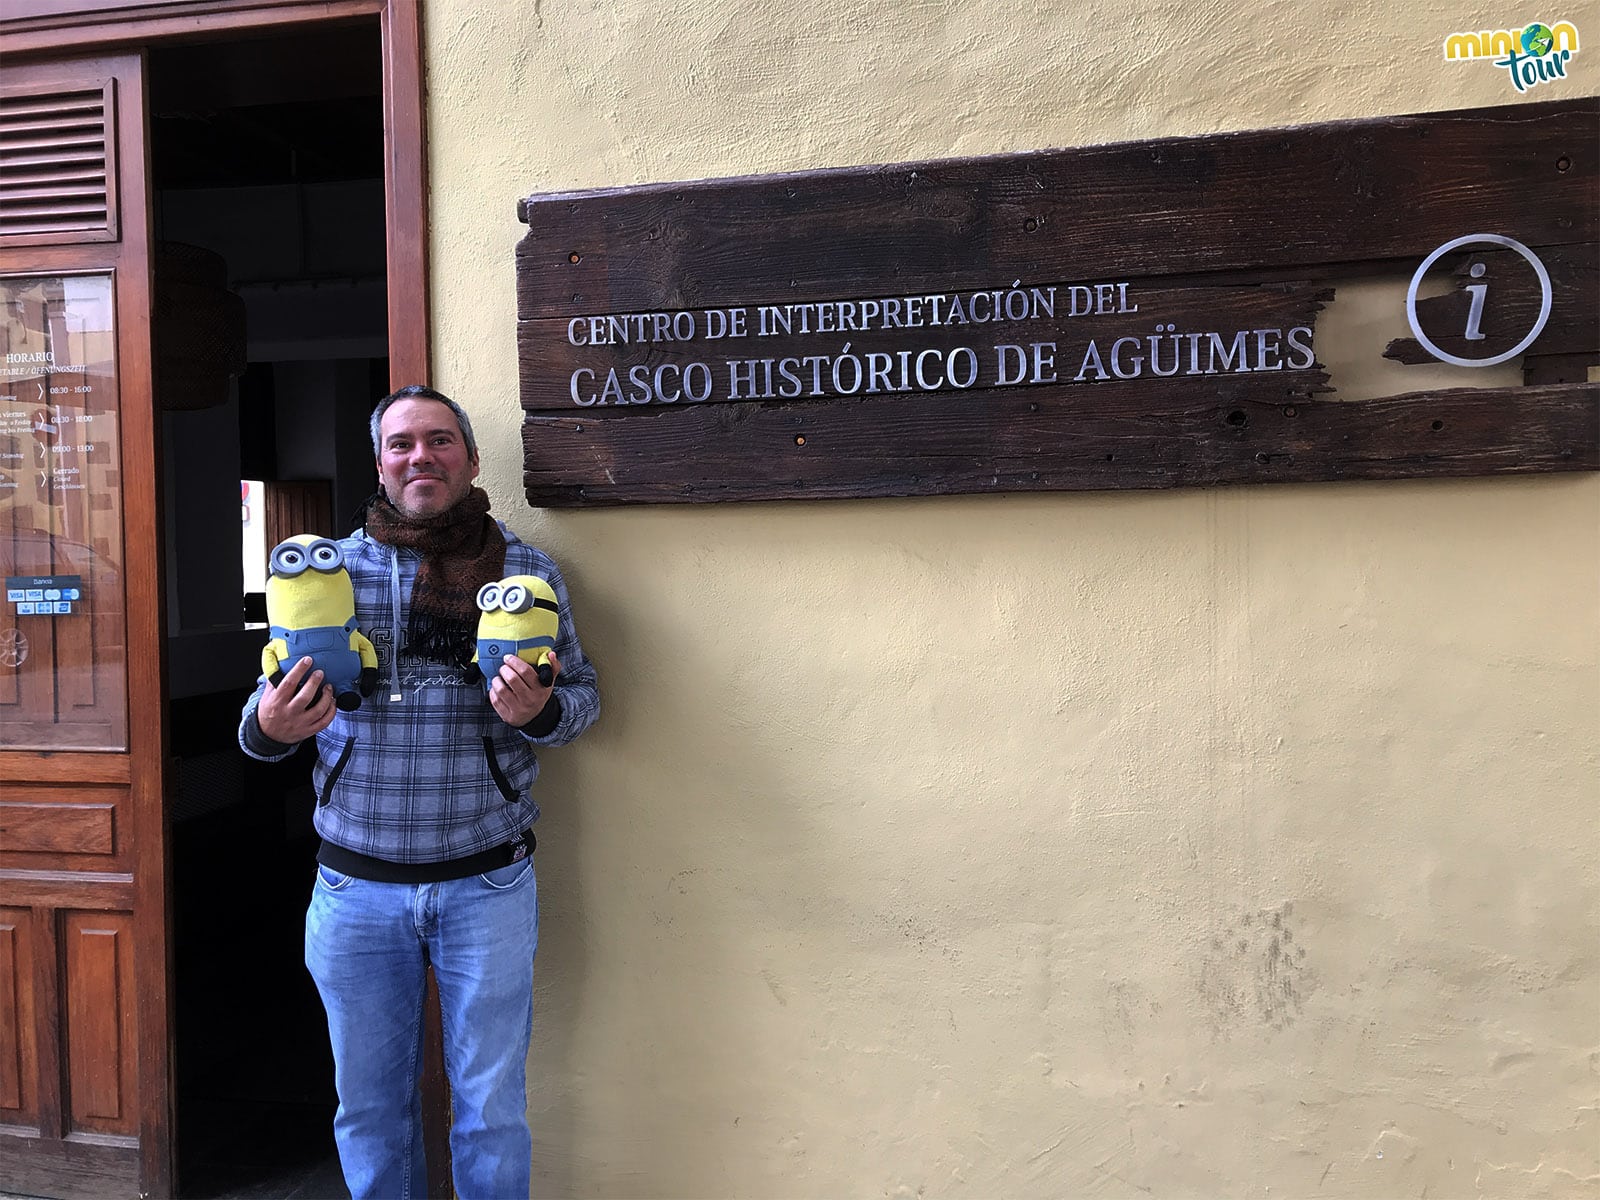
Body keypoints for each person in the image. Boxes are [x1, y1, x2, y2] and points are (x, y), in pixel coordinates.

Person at [238, 384, 600, 1199]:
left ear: (471, 460)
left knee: (490, 1109)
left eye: (439, 441)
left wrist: (542, 714)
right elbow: (252, 723)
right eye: (401, 444)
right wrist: (272, 725)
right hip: (354, 890)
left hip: (489, 885)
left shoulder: (527, 571)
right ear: (379, 464)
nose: (420, 456)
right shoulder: (323, 573)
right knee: (367, 1110)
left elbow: (584, 700)